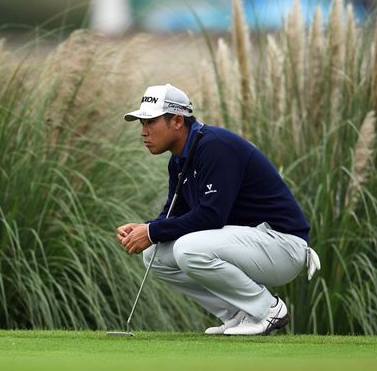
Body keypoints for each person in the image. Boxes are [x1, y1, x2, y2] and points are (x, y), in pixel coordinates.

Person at [117, 83, 320, 336]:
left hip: (283, 245)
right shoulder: (179, 159)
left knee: (187, 248)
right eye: (142, 124)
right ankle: (238, 313)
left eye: (151, 122)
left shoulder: (215, 147)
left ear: (177, 121)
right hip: (253, 244)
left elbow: (211, 216)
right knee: (154, 255)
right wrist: (145, 229)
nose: (144, 132)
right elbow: (173, 214)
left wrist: (152, 231)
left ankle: (267, 310)